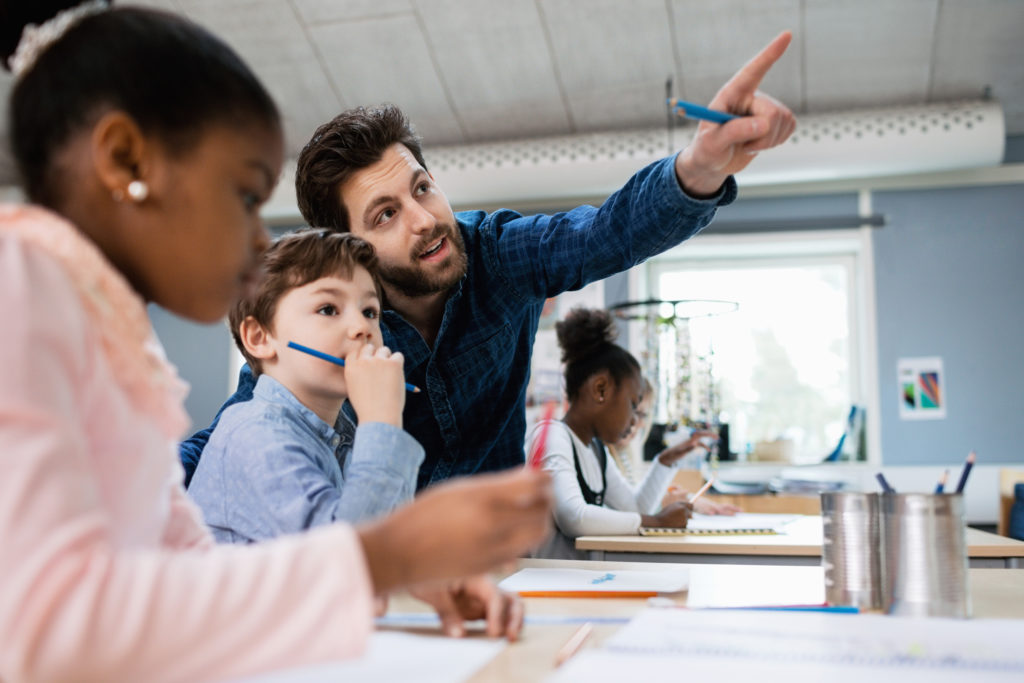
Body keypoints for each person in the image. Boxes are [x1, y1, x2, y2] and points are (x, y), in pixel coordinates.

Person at [0, 3, 551, 681]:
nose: (261, 241)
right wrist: (382, 559)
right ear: (123, 160)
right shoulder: (20, 288)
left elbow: (191, 570)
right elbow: (45, 627)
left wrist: (404, 579)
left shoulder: (108, 333)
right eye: (244, 194)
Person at [179, 32, 797, 490]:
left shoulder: (501, 253)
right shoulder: (329, 322)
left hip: (500, 555)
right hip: (395, 563)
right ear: (350, 246)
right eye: (385, 214)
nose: (423, 218)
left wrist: (700, 168)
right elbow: (243, 423)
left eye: (421, 188)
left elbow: (609, 231)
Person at [188, 229, 424, 542]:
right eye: (328, 309)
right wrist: (382, 421)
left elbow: (391, 544)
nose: (361, 328)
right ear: (260, 338)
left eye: (370, 312)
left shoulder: (345, 434)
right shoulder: (255, 436)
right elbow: (349, 560)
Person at [526, 308, 716, 560]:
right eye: (632, 404)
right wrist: (656, 522)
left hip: (578, 581)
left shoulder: (596, 451)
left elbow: (635, 508)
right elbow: (574, 517)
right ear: (601, 389)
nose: (634, 420)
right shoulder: (552, 436)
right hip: (544, 587)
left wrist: (666, 460)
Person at [608, 378, 739, 515]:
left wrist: (691, 501)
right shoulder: (600, 456)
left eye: (643, 415)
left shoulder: (622, 455)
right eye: (636, 412)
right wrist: (665, 505)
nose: (639, 424)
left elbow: (631, 502)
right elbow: (627, 513)